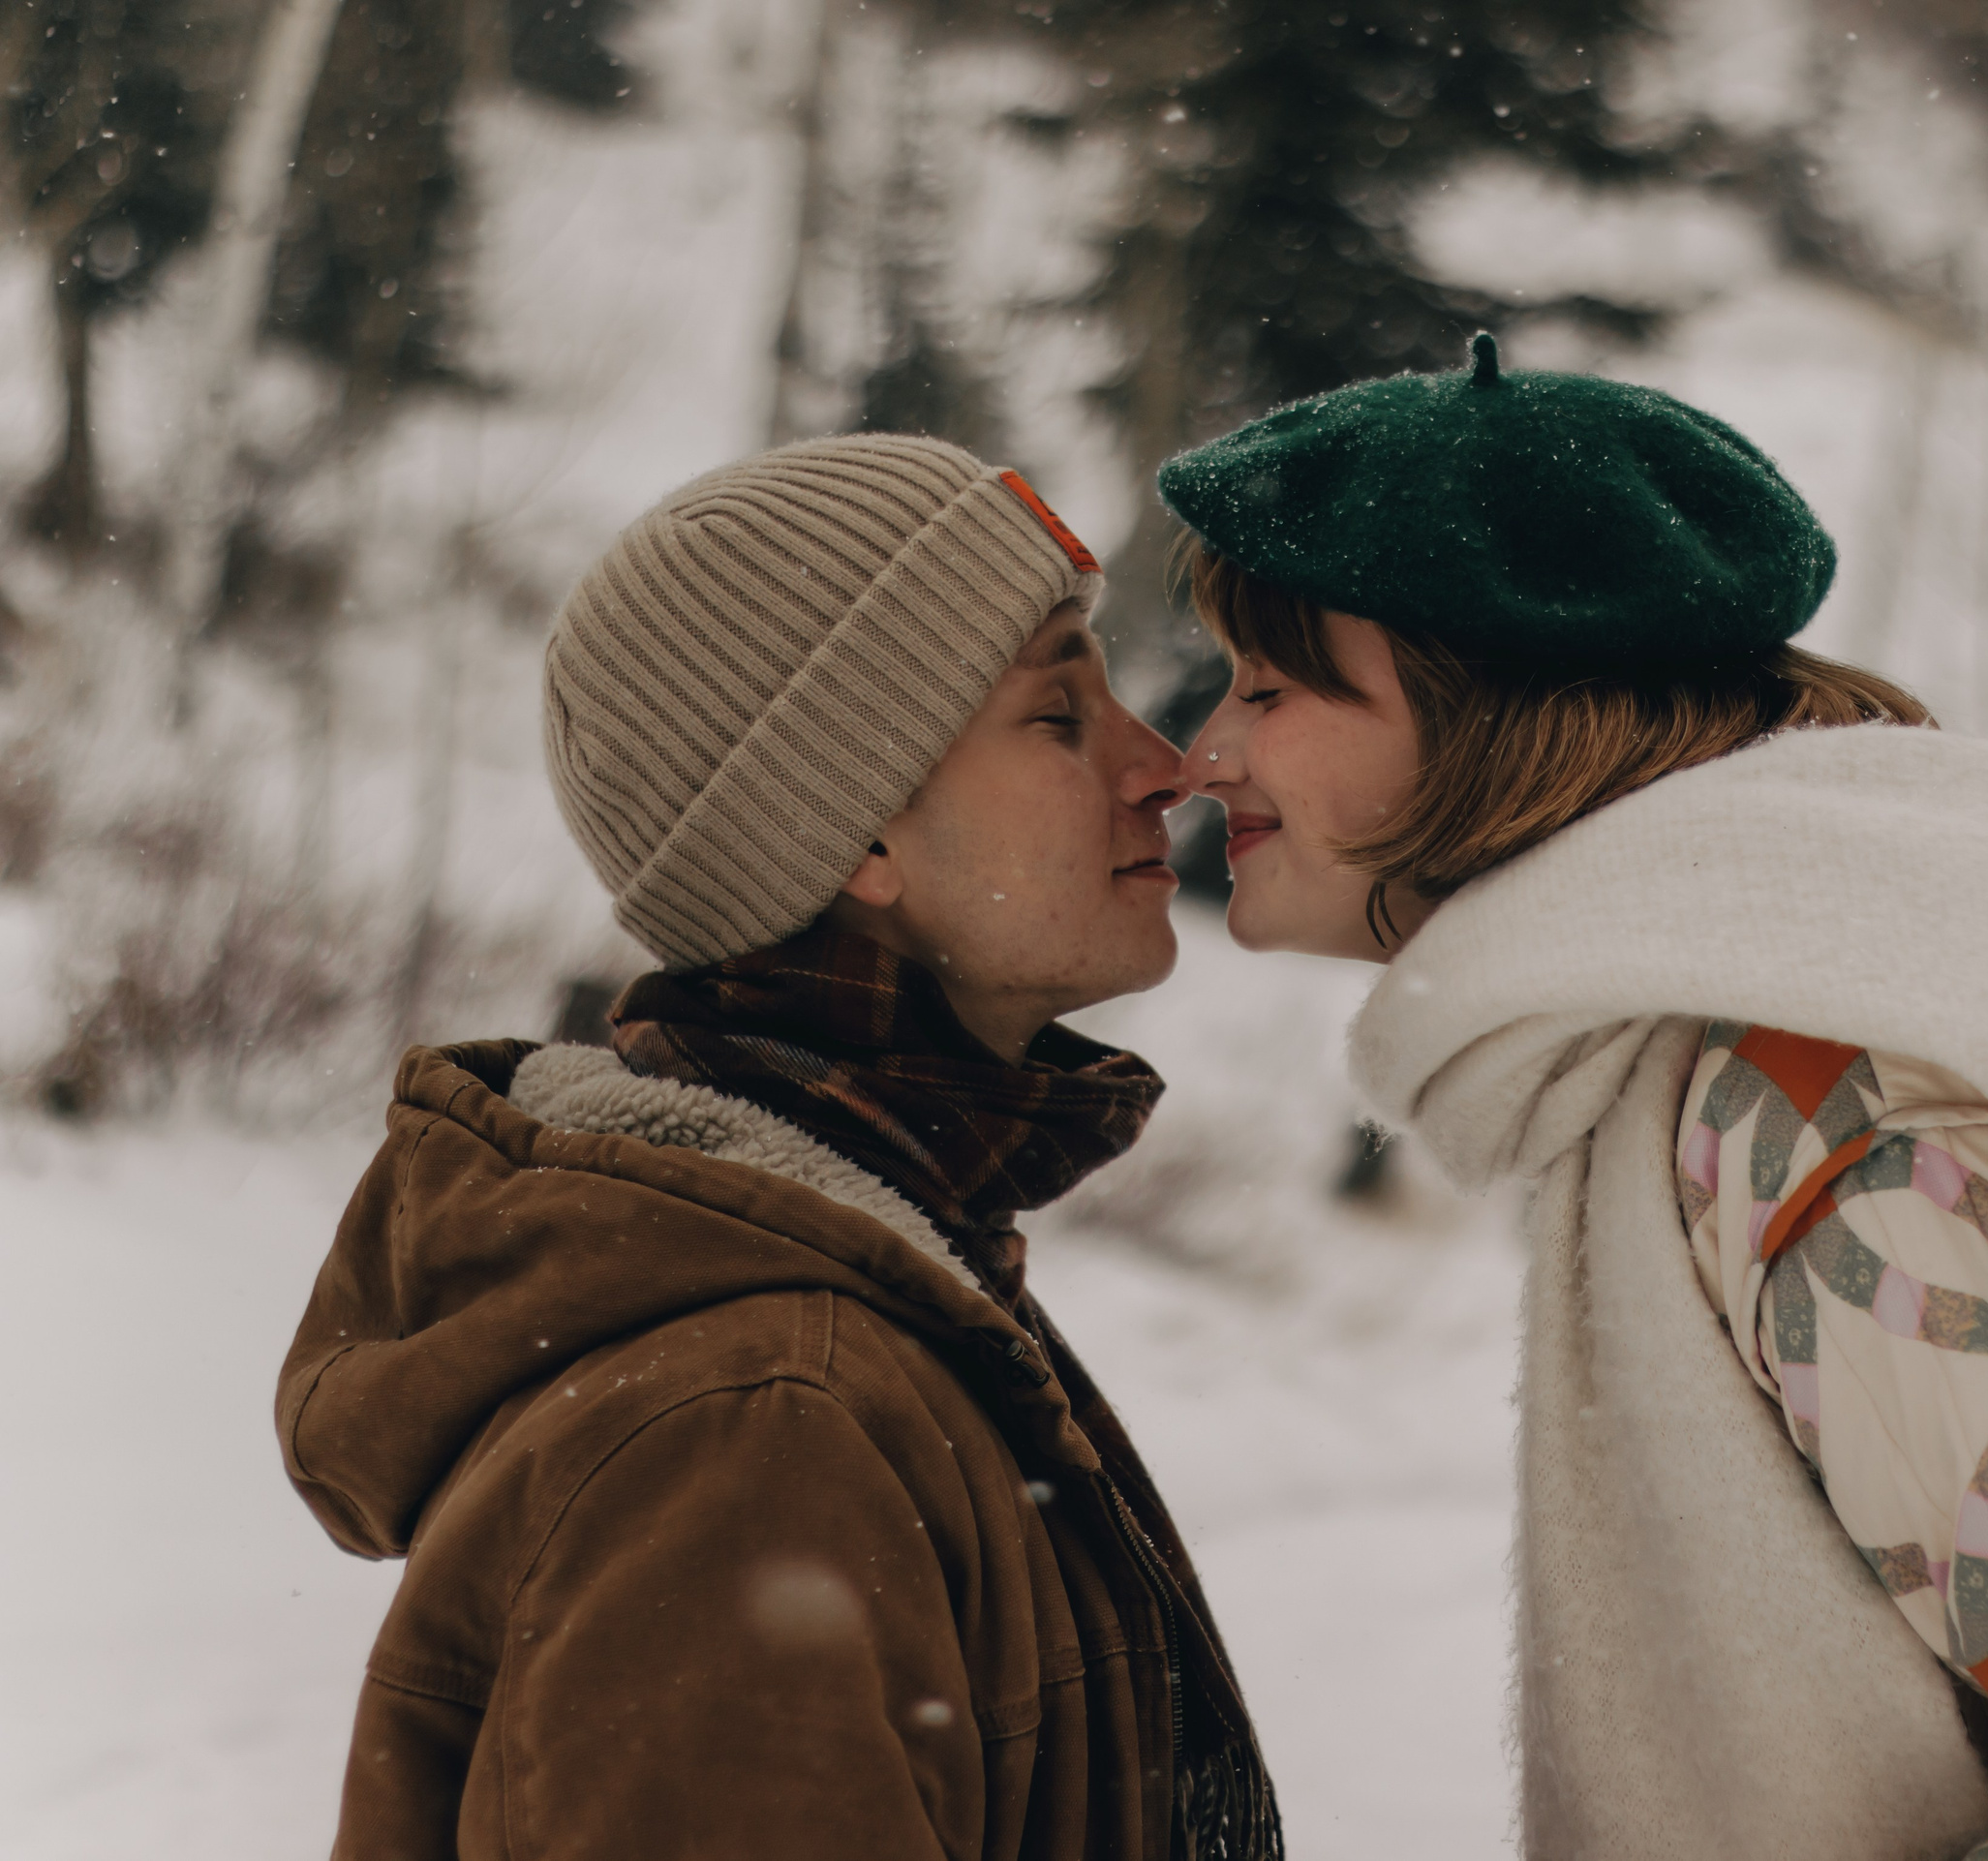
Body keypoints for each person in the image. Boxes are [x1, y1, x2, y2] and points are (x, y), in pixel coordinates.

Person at [1158, 335, 1988, 1861]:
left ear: (1490, 716)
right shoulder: (1818, 997)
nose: (1208, 753)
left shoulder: (1847, 1119)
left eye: (1272, 687)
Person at [276, 436, 1280, 1861]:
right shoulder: (755, 1423)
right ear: (860, 835)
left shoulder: (857, 1294)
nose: (1161, 766)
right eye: (1059, 713)